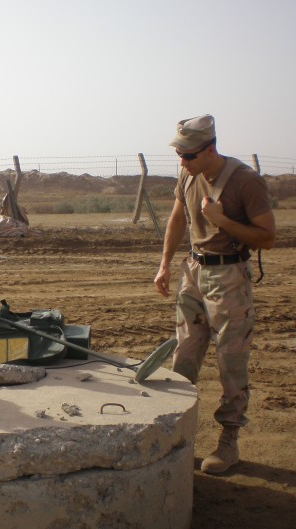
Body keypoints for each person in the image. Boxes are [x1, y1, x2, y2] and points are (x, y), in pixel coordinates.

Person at [153, 115, 276, 474]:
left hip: (230, 276)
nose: (183, 162)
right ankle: (178, 436)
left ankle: (229, 439)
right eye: (179, 155)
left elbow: (267, 238)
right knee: (184, 356)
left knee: (230, 361)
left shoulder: (245, 182)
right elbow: (178, 219)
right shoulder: (188, 176)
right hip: (193, 271)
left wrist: (221, 221)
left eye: (189, 156)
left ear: (210, 149)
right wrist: (164, 265)